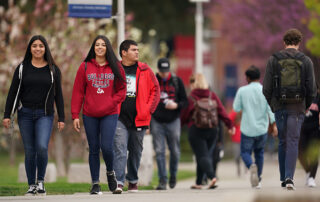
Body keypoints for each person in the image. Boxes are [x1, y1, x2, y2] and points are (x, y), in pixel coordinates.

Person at [3, 35, 65, 195]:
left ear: (46, 48)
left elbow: (59, 95)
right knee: (30, 150)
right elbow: (12, 93)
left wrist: (62, 117)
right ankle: (31, 185)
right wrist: (7, 115)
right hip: (25, 114)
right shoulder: (22, 68)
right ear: (30, 48)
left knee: (42, 147)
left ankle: (41, 182)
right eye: (34, 46)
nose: (38, 48)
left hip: (45, 114)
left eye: (41, 46)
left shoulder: (53, 70)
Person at [71, 35, 126, 194]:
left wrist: (110, 102)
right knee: (94, 148)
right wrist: (75, 115)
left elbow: (122, 90)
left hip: (110, 113)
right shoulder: (85, 67)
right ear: (93, 48)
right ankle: (95, 183)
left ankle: (110, 172)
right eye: (97, 45)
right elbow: (78, 92)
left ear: (108, 47)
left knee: (107, 147)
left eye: (103, 45)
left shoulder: (116, 66)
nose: (100, 47)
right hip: (90, 114)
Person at [263, 28, 316, 190]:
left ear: (284, 43)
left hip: (279, 106)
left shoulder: (274, 59)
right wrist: (305, 106)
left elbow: (266, 88)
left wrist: (273, 105)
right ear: (299, 43)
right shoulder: (306, 60)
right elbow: (312, 89)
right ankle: (289, 178)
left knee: (283, 141)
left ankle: (283, 177)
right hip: (298, 107)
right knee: (293, 141)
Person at [112, 40, 160, 194]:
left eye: (138, 50)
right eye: (133, 50)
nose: (137, 52)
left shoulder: (145, 69)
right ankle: (119, 182)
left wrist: (148, 110)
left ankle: (132, 180)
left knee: (136, 150)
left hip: (140, 117)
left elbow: (156, 90)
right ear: (124, 52)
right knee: (119, 148)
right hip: (119, 117)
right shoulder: (114, 69)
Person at [181, 73, 234, 189]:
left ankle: (212, 176)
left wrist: (179, 127)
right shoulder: (212, 96)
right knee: (204, 155)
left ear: (194, 84)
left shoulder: (191, 97)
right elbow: (222, 112)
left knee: (202, 155)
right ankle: (199, 182)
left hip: (196, 130)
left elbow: (183, 116)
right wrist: (230, 125)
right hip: (212, 130)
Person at [233, 66, 277, 189]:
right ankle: (259, 179)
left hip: (247, 129)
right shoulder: (265, 91)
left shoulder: (242, 91)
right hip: (262, 129)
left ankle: (250, 165)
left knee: (245, 152)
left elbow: (236, 108)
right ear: (259, 77)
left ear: (247, 78)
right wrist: (274, 125)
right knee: (259, 153)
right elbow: (271, 110)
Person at [150, 58, 188, 190]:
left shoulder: (177, 82)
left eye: (166, 71)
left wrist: (177, 105)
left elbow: (185, 101)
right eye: (162, 71)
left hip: (173, 120)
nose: (164, 74)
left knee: (175, 151)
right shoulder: (152, 80)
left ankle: (173, 175)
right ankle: (162, 180)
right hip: (157, 121)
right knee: (159, 151)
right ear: (158, 70)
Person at [298, 93, 320, 188]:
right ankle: (308, 171)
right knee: (300, 153)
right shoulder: (301, 96)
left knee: (314, 154)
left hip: (315, 130)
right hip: (302, 129)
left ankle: (312, 177)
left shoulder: (318, 98)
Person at [228, 110, 242, 177]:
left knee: (246, 154)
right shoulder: (234, 112)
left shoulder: (247, 110)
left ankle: (247, 169)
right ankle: (238, 168)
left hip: (245, 137)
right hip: (235, 138)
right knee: (237, 156)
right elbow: (228, 120)